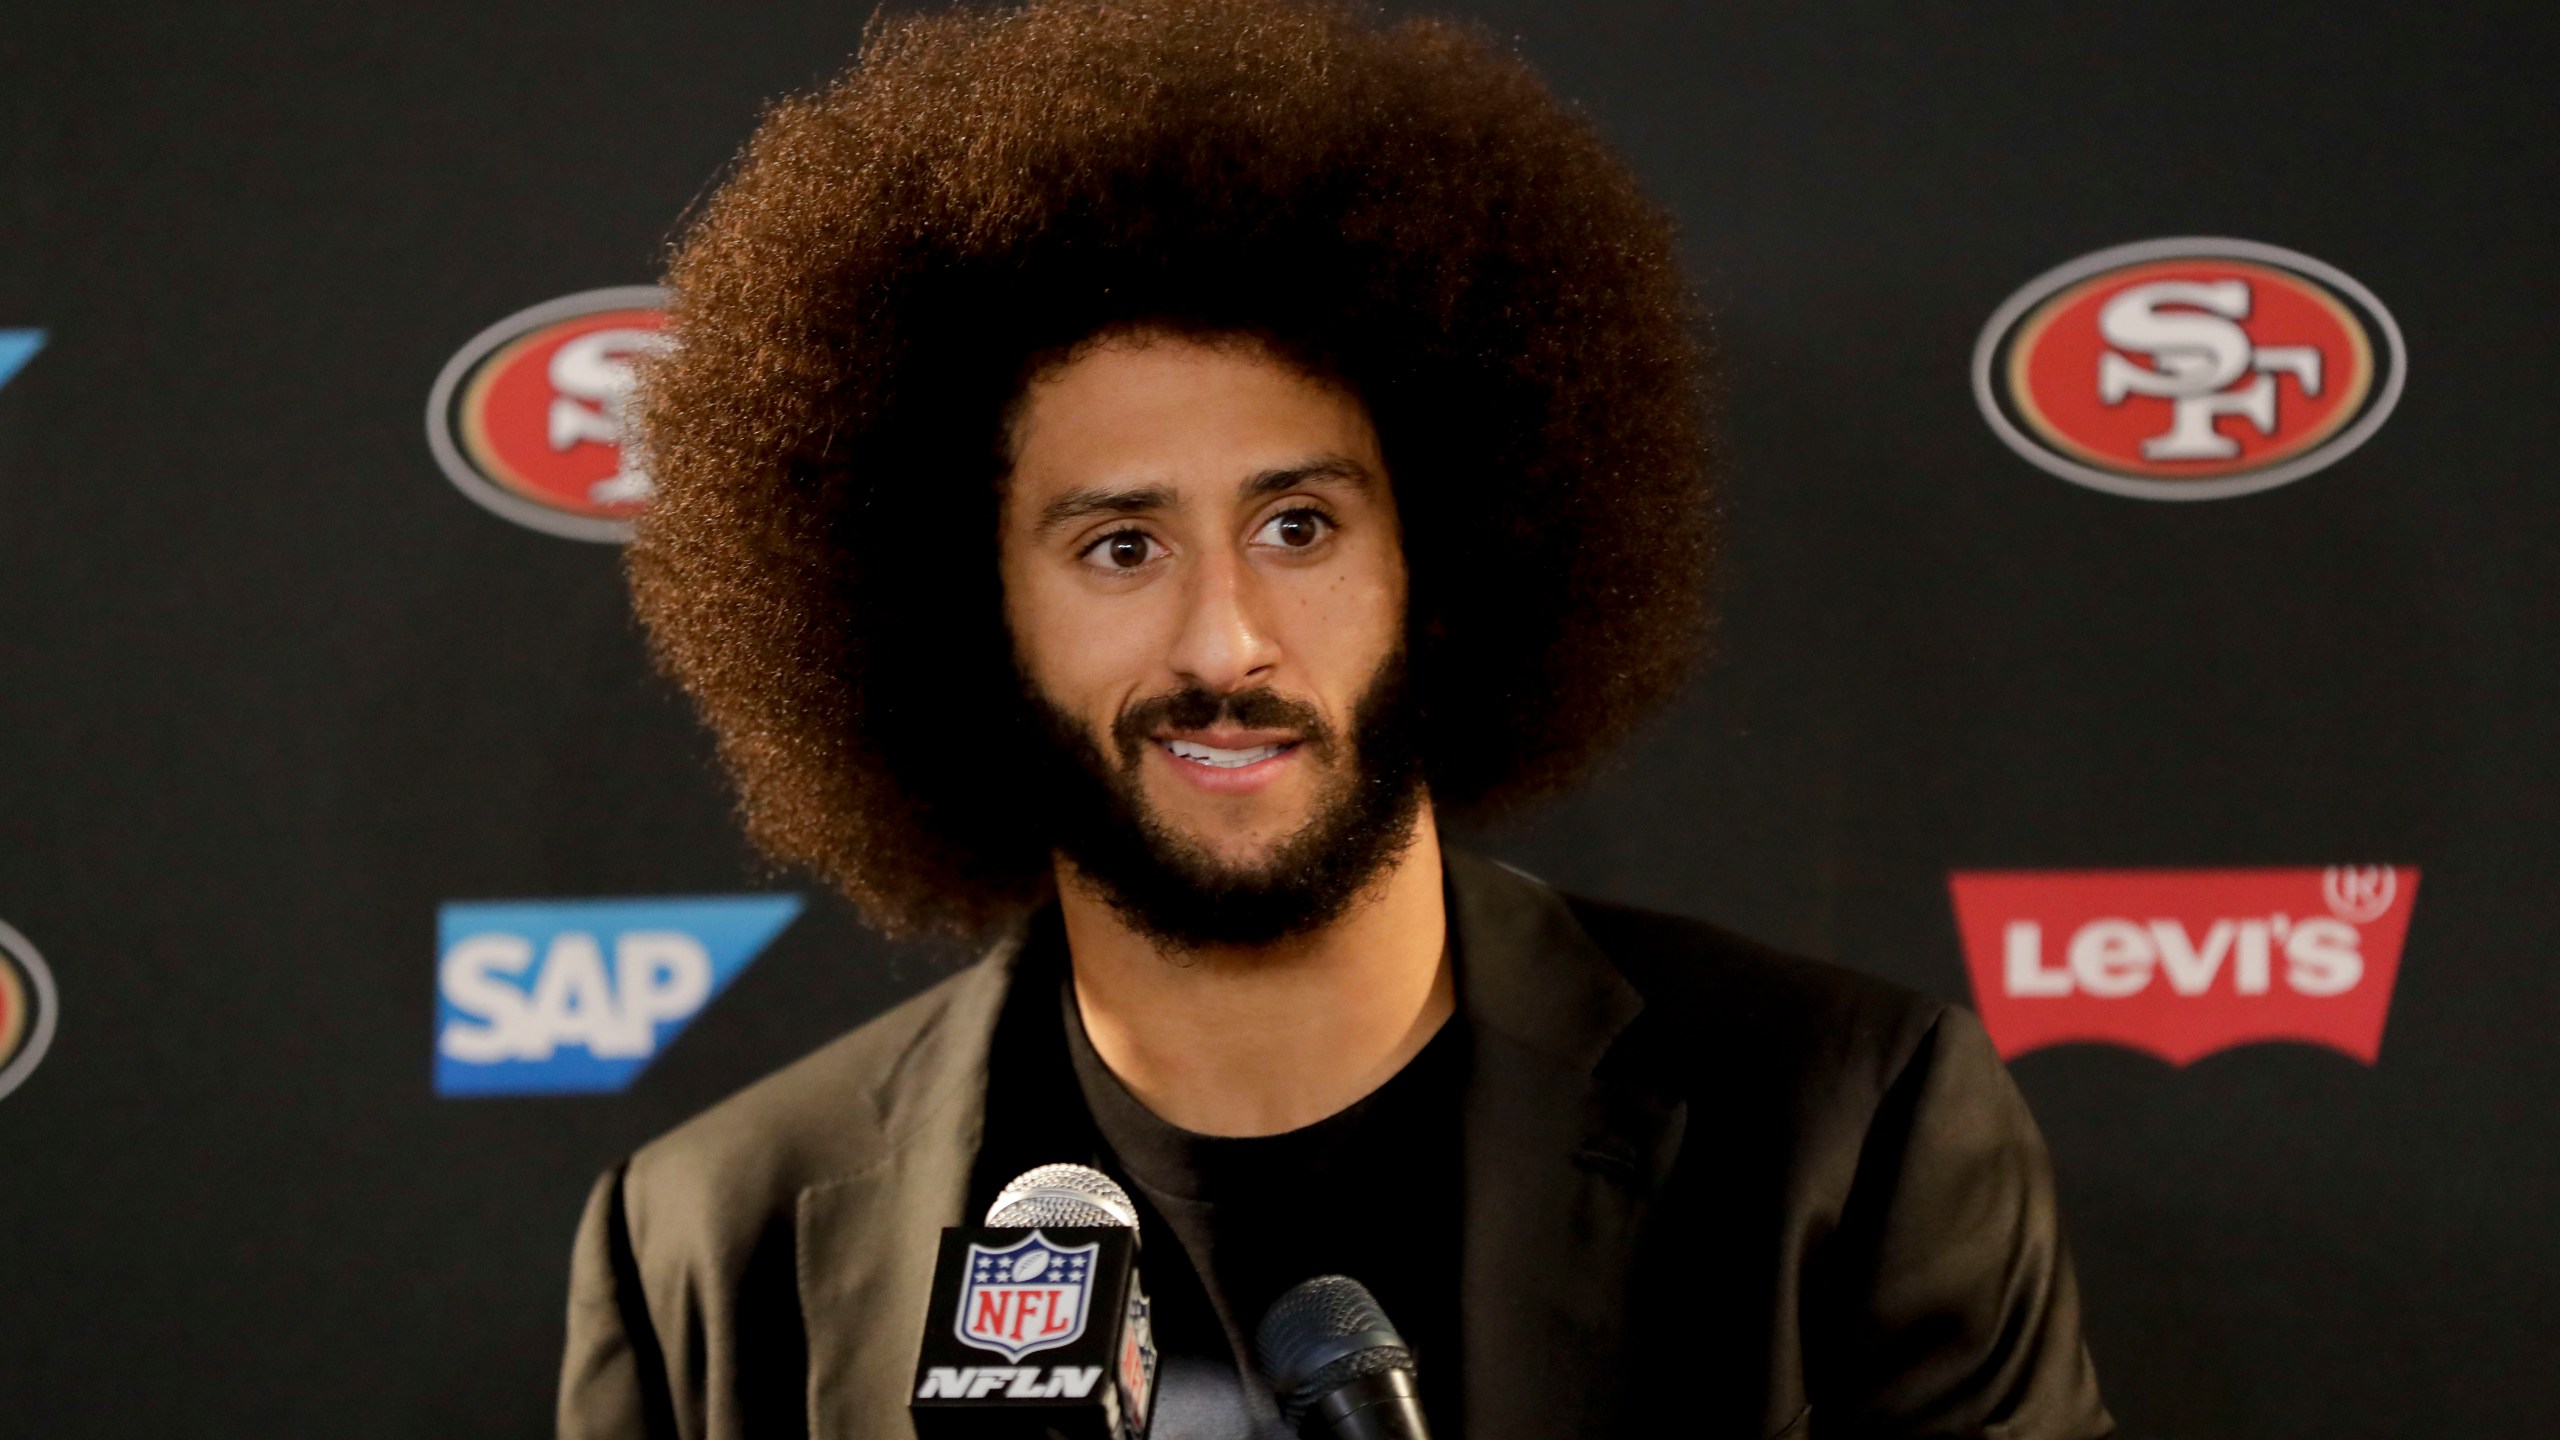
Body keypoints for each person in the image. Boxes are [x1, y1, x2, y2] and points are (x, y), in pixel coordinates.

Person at [557, 2, 2113, 1437]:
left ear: (1443, 562)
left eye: (1299, 528)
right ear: (963, 615)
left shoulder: (1842, 1141)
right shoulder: (708, 1247)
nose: (1225, 636)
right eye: (1122, 547)